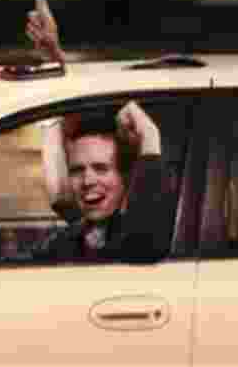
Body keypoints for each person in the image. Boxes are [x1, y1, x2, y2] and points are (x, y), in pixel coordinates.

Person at [31, 101, 171, 261]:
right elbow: (60, 198)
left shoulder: (140, 239)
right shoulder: (60, 245)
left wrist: (149, 135)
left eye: (101, 168)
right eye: (77, 170)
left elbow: (143, 246)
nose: (87, 181)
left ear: (124, 178)